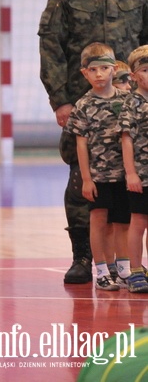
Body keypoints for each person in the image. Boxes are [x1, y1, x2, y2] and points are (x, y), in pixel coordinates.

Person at [38, 0, 148, 285]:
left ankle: (127, 262)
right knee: (83, 181)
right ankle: (84, 257)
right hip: (84, 105)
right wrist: (61, 101)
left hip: (131, 106)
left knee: (132, 182)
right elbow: (51, 49)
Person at [66, 42, 131, 291]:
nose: (100, 74)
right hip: (98, 175)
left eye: (105, 68)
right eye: (93, 70)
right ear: (85, 73)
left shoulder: (128, 100)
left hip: (125, 175)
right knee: (98, 221)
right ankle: (102, 271)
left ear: (114, 69)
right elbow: (81, 146)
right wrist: (86, 178)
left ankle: (124, 269)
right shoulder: (83, 105)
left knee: (123, 222)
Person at [122, 45, 148, 292]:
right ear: (134, 76)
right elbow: (126, 138)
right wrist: (131, 172)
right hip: (142, 175)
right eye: (146, 70)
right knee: (138, 222)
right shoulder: (133, 102)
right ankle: (136, 271)